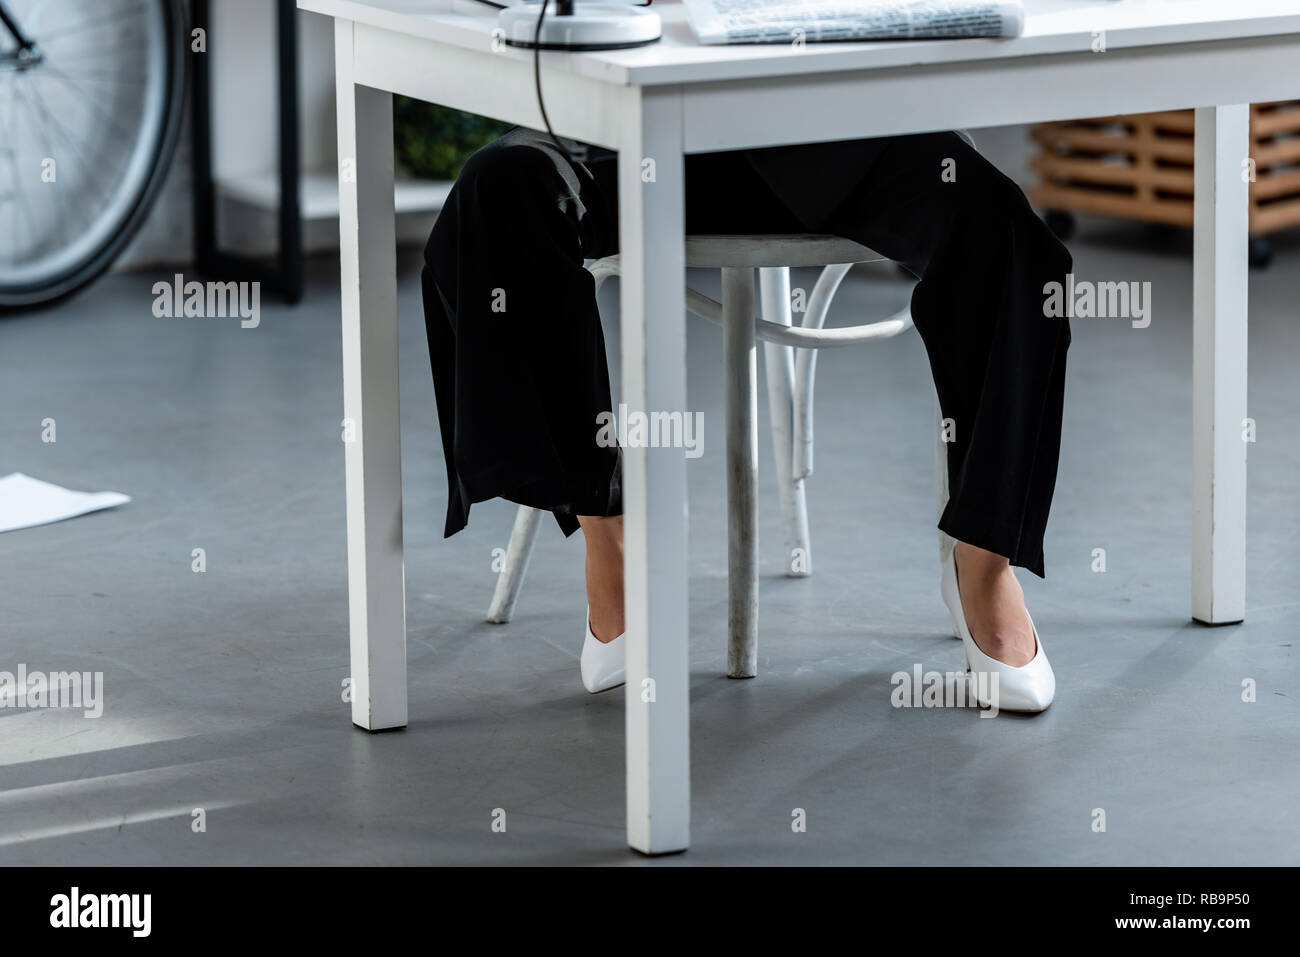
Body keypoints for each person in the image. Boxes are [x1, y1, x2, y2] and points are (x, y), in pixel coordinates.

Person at [421, 125, 1071, 713]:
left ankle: (984, 564)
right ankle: (607, 533)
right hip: (637, 127)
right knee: (496, 186)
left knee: (1005, 231)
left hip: (835, 133)